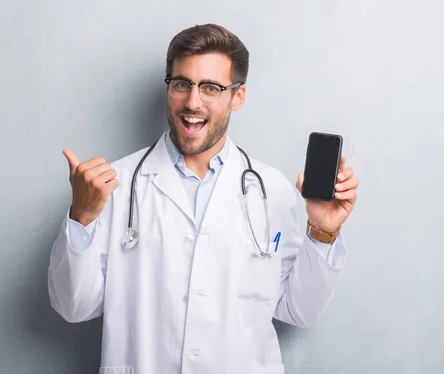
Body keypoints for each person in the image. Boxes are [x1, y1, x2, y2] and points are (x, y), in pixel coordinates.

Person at [48, 23, 359, 374]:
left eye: (211, 87)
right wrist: (82, 217)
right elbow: (73, 307)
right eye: (182, 84)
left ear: (237, 96)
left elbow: (299, 310)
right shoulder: (114, 186)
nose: (192, 102)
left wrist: (322, 232)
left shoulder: (271, 190)